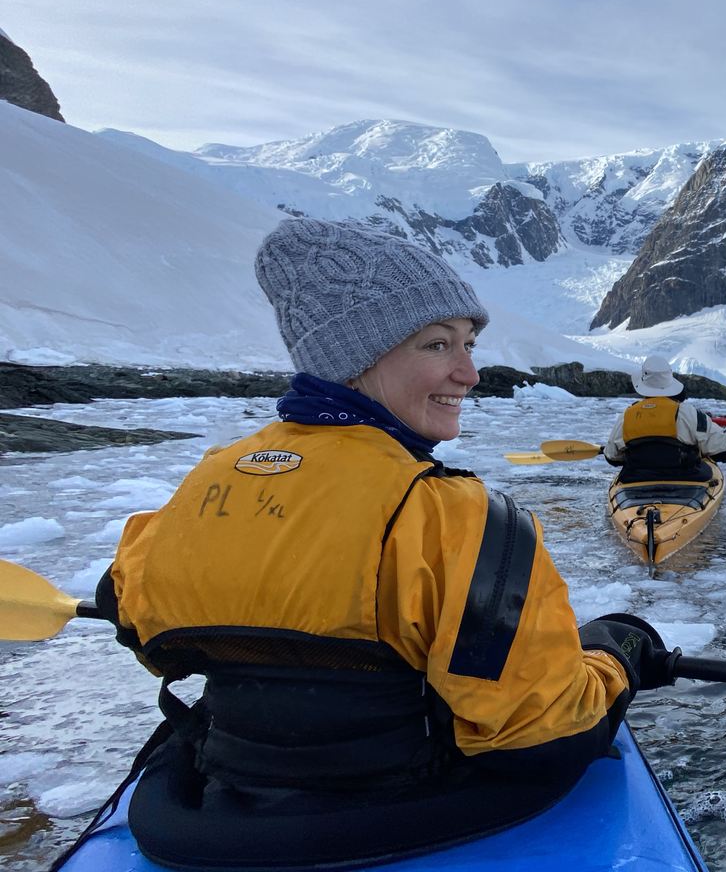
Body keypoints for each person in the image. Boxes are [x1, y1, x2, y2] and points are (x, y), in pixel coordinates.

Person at [89, 218, 675, 869]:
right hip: (399, 811)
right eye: (436, 345)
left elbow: (133, 617)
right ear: (355, 357)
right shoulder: (458, 518)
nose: (468, 373)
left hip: (211, 815)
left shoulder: (205, 482)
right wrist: (615, 653)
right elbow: (538, 731)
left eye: (469, 344)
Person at [604, 355, 726, 483]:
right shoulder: (689, 413)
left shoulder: (627, 415)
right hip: (686, 478)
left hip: (636, 478)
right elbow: (725, 451)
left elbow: (612, 456)